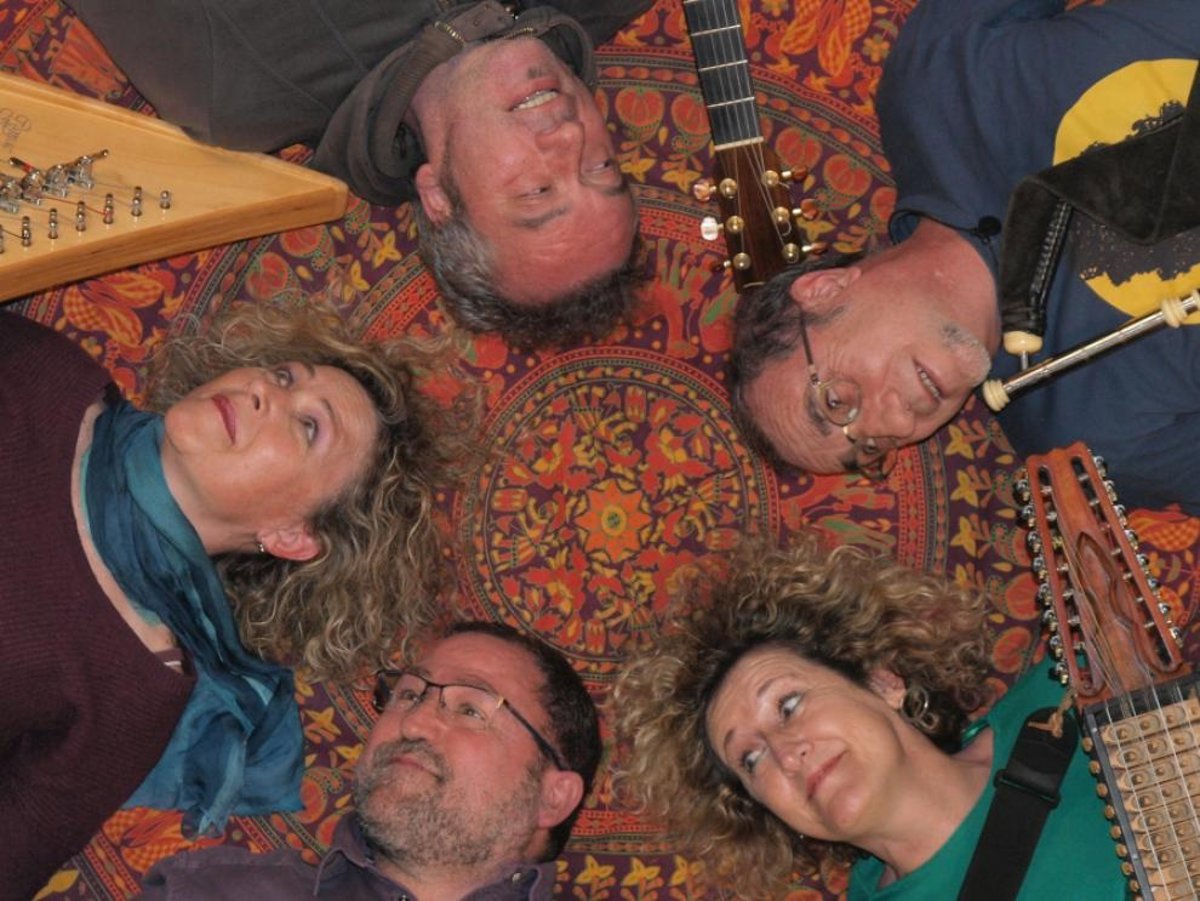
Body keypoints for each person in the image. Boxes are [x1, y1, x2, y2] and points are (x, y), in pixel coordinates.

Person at [1, 303, 470, 901]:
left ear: (292, 535)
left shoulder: (140, 688)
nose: (262, 392)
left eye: (309, 426)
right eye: (282, 375)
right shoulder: (50, 372)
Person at [730, 0, 1200, 512]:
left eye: (837, 401)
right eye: (872, 448)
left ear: (823, 290)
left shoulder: (934, 84)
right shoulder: (1089, 445)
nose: (898, 424)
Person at [64, 0, 651, 348]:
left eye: (537, 191)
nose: (570, 138)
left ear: (440, 198)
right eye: (601, 167)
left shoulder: (237, 85)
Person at [610, 537, 1126, 899]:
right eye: (750, 758)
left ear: (883, 682)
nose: (786, 755)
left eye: (788, 705)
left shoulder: (1071, 692)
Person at [135, 620, 603, 900]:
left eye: (469, 710)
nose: (414, 723)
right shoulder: (204, 892)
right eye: (408, 695)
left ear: (553, 797)